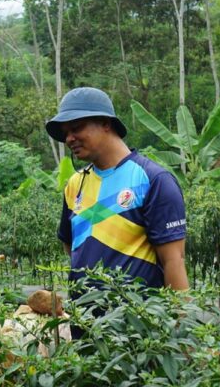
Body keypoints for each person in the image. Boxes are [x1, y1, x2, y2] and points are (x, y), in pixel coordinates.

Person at [46, 87, 189, 302]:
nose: (69, 138)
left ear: (106, 123)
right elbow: (70, 245)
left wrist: (181, 322)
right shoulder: (75, 184)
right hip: (83, 320)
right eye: (65, 133)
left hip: (136, 322)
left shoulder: (153, 179)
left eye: (76, 128)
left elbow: (174, 260)